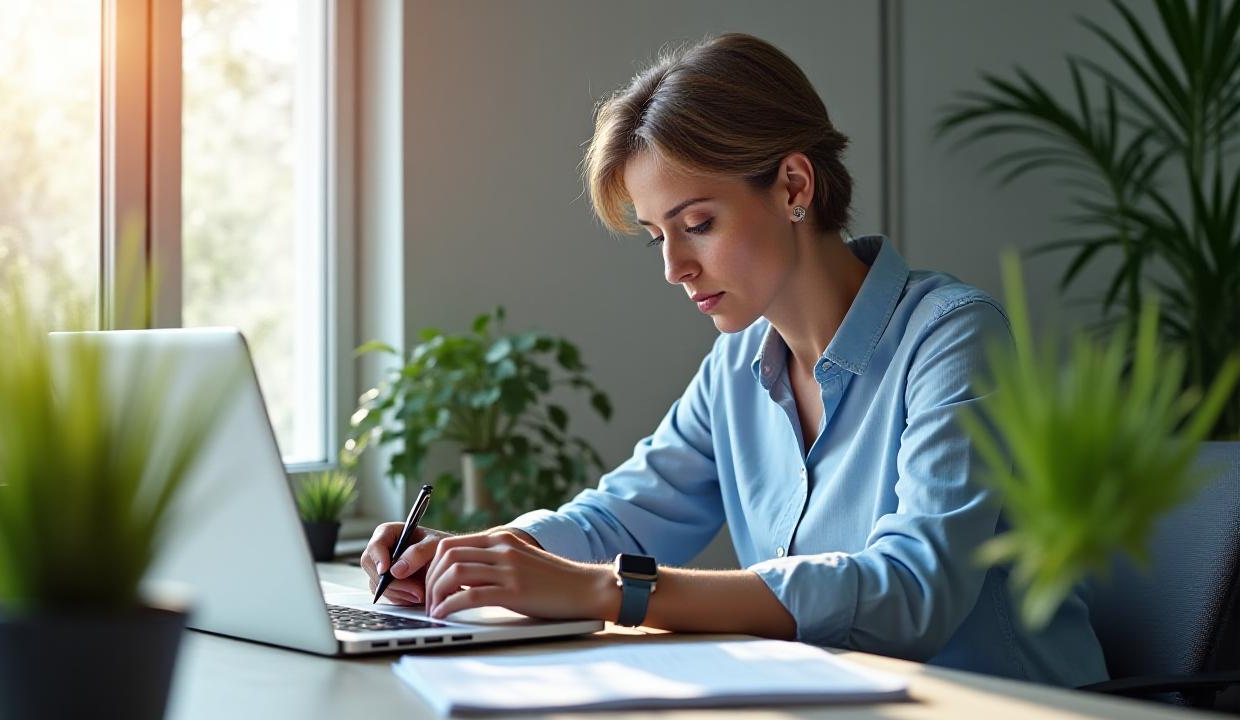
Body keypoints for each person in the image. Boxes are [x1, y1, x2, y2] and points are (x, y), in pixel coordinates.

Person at [361, 32, 1108, 687]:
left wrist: (608, 592)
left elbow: (910, 592)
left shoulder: (953, 338)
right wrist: (482, 554)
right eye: (659, 236)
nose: (674, 267)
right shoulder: (738, 368)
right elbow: (622, 517)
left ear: (793, 186)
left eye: (698, 224)